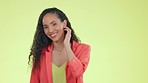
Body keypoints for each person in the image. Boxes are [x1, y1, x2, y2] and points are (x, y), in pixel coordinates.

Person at [28, 7, 91, 83]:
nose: (50, 30)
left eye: (54, 24)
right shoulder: (41, 53)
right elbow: (34, 81)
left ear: (64, 23)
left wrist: (67, 45)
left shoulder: (83, 49)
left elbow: (78, 72)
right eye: (46, 27)